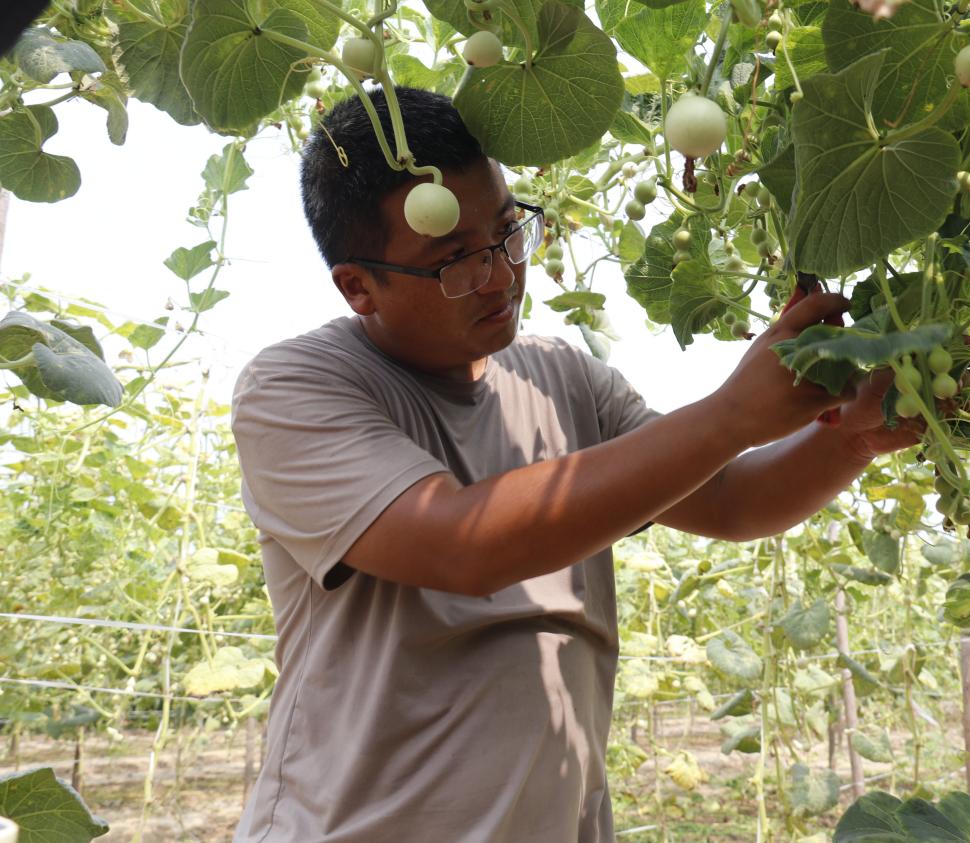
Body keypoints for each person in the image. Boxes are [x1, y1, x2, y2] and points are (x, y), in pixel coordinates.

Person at [229, 86, 919, 842]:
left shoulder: (562, 375)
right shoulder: (294, 388)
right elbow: (463, 544)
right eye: (454, 259)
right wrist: (730, 415)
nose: (498, 274)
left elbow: (728, 501)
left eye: (506, 232)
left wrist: (850, 436)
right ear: (359, 285)